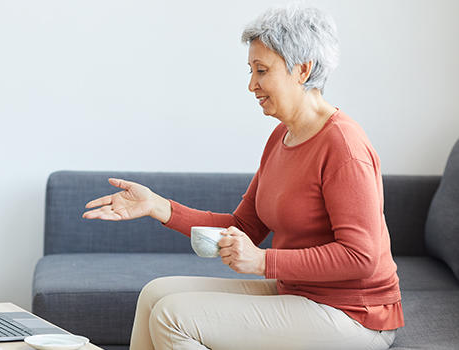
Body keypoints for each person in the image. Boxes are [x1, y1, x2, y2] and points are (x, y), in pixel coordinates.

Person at [82, 4, 403, 350]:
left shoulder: (343, 147)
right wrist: (157, 206)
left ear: (302, 69)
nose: (252, 84)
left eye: (262, 70)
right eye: (251, 70)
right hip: (296, 291)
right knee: (154, 295)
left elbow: (361, 256)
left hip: (354, 313)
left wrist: (264, 261)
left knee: (172, 315)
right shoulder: (281, 137)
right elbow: (244, 226)